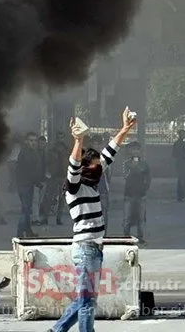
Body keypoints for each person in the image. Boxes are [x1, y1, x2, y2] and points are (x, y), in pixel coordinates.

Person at [48, 107, 135, 332]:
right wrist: (79, 140)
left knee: (85, 299)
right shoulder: (75, 188)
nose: (100, 167)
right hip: (86, 249)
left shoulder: (91, 181)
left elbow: (109, 154)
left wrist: (124, 129)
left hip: (94, 249)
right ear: (86, 167)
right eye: (95, 164)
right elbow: (73, 166)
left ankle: (56, 331)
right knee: (87, 302)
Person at [121, 142, 151, 244]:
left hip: (141, 195)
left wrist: (145, 187)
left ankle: (140, 237)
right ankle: (126, 237)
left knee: (141, 218)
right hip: (129, 194)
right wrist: (132, 167)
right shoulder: (126, 163)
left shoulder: (144, 164)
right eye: (133, 150)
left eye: (137, 150)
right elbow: (125, 176)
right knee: (127, 219)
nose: (135, 152)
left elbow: (148, 178)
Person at [16, 132, 43, 237]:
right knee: (25, 210)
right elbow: (27, 172)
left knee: (27, 209)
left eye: (35, 141)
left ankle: (28, 231)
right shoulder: (25, 154)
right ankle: (19, 233)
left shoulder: (32, 152)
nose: (33, 143)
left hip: (28, 184)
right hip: (25, 185)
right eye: (31, 140)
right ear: (26, 141)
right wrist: (37, 182)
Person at [172, 129, 185, 202]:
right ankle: (181, 196)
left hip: (182, 163)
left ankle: (181, 196)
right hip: (181, 163)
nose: (184, 135)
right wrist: (183, 156)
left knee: (183, 179)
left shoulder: (182, 143)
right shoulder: (179, 143)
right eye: (182, 134)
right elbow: (174, 154)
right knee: (182, 180)